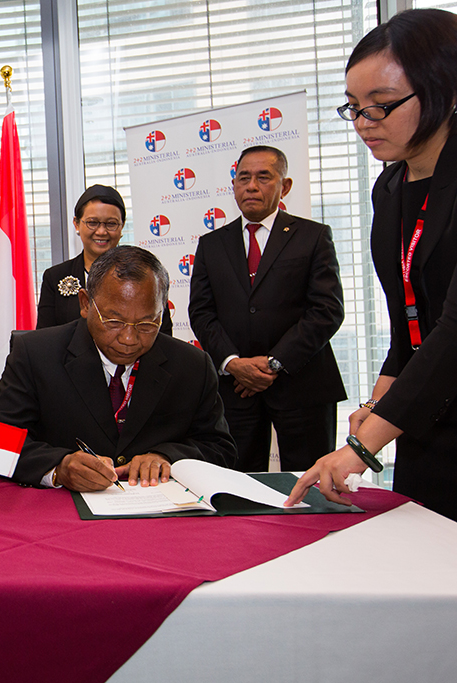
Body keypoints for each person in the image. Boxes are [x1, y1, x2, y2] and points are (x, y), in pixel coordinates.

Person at [287, 9, 457, 520]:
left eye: (381, 106)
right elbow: (410, 317)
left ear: (446, 92)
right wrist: (377, 408)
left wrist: (364, 447)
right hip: (430, 415)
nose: (363, 123)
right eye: (354, 107)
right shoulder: (391, 186)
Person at [0, 245, 235, 491]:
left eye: (147, 323)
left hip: (158, 514)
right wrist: (58, 468)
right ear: (85, 304)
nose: (129, 339)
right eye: (114, 321)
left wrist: (168, 457)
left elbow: (220, 449)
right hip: (63, 514)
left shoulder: (193, 365)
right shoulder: (35, 354)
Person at [188, 146, 346, 472]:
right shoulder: (211, 244)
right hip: (236, 391)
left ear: (284, 186)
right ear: (233, 185)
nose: (251, 186)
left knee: (309, 488)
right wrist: (234, 364)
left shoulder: (312, 237)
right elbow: (202, 313)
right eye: (243, 178)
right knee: (238, 489)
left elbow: (326, 310)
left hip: (303, 386)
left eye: (264, 177)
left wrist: (274, 363)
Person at [36, 184, 172, 334]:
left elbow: (162, 336)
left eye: (111, 224)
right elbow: (45, 338)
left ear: (122, 227)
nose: (101, 231)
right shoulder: (55, 277)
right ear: (76, 224)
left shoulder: (146, 275)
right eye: (92, 223)